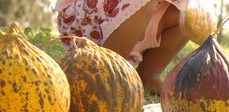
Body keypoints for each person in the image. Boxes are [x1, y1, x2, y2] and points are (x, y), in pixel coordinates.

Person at [55, 0, 189, 95]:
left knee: (192, 14)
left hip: (141, 13)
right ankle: (109, 73)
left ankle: (149, 74)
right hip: (87, 16)